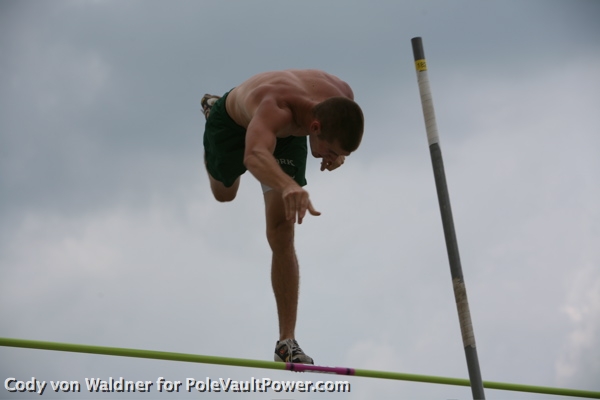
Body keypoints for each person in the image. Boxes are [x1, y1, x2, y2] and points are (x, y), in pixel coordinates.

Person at [201, 69, 364, 364]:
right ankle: (211, 110)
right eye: (330, 150)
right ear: (315, 127)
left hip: (287, 136)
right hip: (235, 125)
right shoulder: (276, 106)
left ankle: (286, 342)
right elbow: (254, 155)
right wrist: (288, 186)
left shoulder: (342, 99)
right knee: (225, 193)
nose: (330, 157)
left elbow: (339, 127)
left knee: (282, 231)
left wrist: (337, 152)